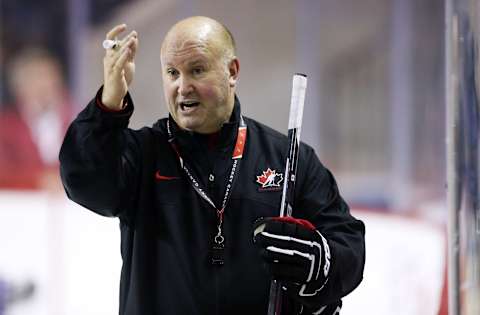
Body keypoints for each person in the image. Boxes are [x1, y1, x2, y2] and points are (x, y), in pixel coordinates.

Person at [59, 16, 365, 315]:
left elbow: (347, 244)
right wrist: (109, 104)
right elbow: (84, 181)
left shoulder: (286, 158)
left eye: (197, 70)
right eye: (172, 73)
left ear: (232, 71)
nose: (183, 86)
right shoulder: (142, 154)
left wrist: (321, 264)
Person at [0, 48, 72, 190]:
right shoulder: (6, 127)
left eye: (51, 79)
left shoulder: (78, 121)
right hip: (23, 206)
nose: (46, 87)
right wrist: (38, 180)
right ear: (19, 87)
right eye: (37, 79)